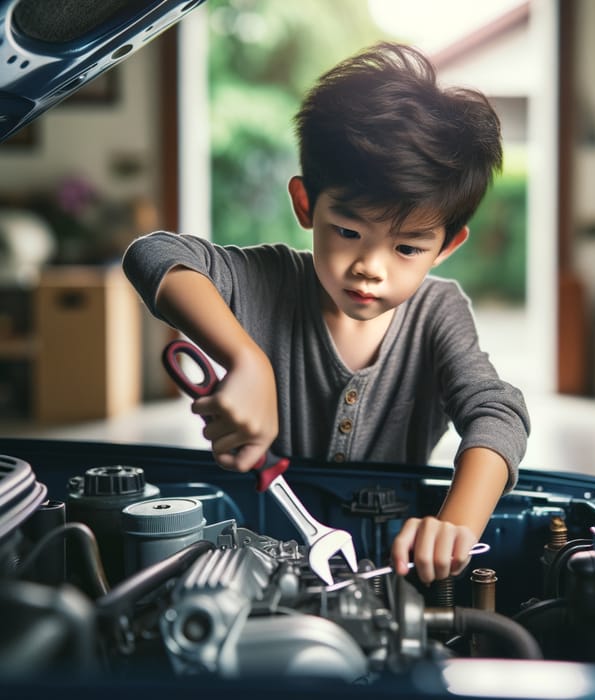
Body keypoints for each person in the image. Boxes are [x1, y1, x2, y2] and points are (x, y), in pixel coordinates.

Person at [122, 41, 530, 585]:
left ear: (447, 246)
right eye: (348, 232)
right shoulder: (266, 281)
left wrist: (456, 523)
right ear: (305, 204)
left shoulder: (439, 312)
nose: (370, 267)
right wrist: (247, 360)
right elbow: (151, 254)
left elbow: (496, 412)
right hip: (256, 558)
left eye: (407, 248)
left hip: (392, 570)